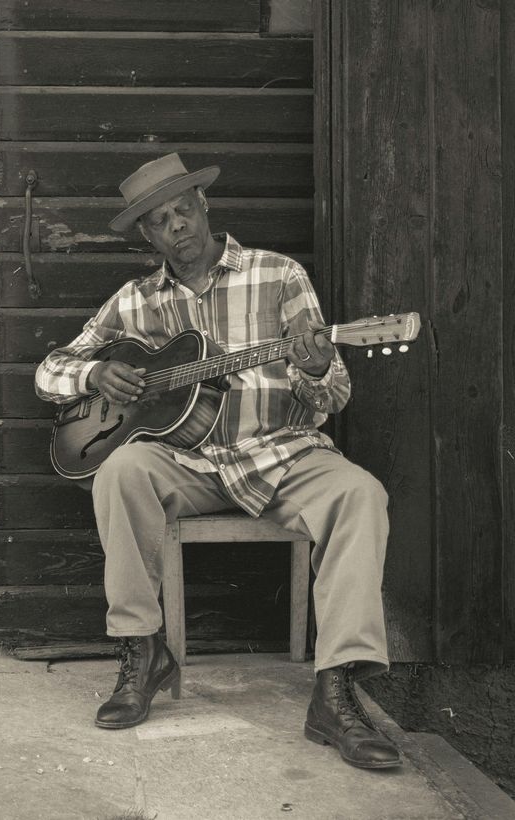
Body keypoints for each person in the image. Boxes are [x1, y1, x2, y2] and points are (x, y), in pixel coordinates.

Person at [34, 153, 399, 770]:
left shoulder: (278, 275)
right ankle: (143, 650)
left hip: (281, 453)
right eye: (158, 220)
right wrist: (95, 371)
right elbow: (50, 371)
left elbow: (332, 396)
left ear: (204, 208)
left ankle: (336, 692)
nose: (176, 226)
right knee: (120, 470)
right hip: (189, 464)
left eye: (183, 210)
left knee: (361, 494)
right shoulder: (134, 301)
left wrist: (314, 365)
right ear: (147, 235)